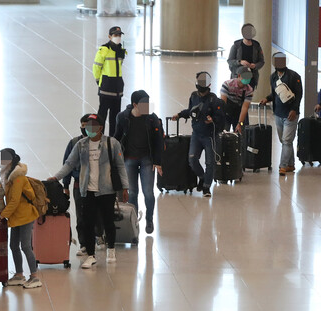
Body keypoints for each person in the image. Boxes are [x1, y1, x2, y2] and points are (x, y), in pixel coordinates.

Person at [50, 114, 129, 268]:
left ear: (100, 127)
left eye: (93, 125)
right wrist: (56, 177)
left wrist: (125, 188)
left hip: (107, 190)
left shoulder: (111, 144)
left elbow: (120, 166)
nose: (89, 129)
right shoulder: (81, 145)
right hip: (87, 190)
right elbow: (69, 164)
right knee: (88, 222)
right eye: (87, 126)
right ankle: (91, 255)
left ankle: (111, 249)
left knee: (108, 221)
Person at [0, 148, 42, 288]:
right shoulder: (5, 175)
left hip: (25, 215)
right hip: (16, 216)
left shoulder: (18, 177)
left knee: (25, 246)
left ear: (10, 160)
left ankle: (35, 277)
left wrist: (0, 217)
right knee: (13, 246)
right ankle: (19, 274)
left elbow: (14, 201)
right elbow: (0, 192)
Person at [114, 90, 164, 234]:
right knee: (132, 193)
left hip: (147, 160)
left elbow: (158, 140)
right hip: (129, 159)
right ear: (135, 104)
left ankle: (149, 219)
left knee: (148, 192)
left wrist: (158, 161)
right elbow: (116, 138)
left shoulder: (152, 118)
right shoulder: (123, 118)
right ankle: (134, 221)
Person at [172, 72, 226, 197]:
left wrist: (212, 121)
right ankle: (202, 177)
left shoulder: (215, 101)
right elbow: (191, 111)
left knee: (210, 163)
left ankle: (207, 186)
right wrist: (180, 115)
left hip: (210, 136)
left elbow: (221, 120)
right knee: (192, 160)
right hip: (196, 134)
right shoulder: (193, 96)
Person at [259, 52, 303, 176]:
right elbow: (274, 93)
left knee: (286, 141)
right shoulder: (273, 77)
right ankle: (290, 164)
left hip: (290, 114)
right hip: (278, 113)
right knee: (283, 140)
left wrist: (294, 109)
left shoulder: (294, 76)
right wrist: (267, 99)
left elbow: (299, 95)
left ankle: (282, 166)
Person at [62, 114, 91, 256]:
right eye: (83, 126)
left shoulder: (104, 143)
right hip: (78, 186)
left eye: (88, 126)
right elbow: (67, 164)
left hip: (98, 186)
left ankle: (98, 236)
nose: (85, 129)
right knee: (81, 216)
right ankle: (84, 243)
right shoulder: (74, 143)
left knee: (97, 214)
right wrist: (65, 185)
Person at [93, 26, 126, 136]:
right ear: (109, 36)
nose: (118, 37)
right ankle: (98, 136)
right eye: (115, 35)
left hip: (117, 89)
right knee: (102, 114)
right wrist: (99, 81)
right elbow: (96, 67)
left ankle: (113, 139)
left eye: (119, 35)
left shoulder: (121, 51)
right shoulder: (104, 50)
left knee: (115, 116)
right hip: (106, 88)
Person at [227, 23, 265, 89]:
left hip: (251, 77)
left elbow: (261, 62)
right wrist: (240, 62)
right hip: (238, 77)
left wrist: (255, 65)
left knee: (248, 96)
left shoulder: (257, 46)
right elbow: (230, 61)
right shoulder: (236, 46)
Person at [220, 66, 255, 133]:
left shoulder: (249, 90)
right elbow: (223, 103)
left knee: (241, 132)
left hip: (239, 112)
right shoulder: (227, 84)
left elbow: (245, 107)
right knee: (223, 132)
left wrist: (240, 123)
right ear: (239, 76)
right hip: (227, 112)